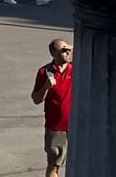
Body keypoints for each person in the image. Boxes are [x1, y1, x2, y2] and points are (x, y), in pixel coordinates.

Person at [31, 39, 72, 177]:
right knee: (54, 165)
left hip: (77, 125)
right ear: (54, 53)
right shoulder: (45, 72)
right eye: (64, 50)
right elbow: (36, 99)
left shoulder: (76, 69)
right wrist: (46, 86)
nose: (68, 52)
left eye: (69, 50)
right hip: (56, 127)